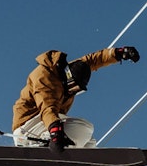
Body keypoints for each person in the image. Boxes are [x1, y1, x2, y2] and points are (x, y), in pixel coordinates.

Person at [11, 46, 140, 151]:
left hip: (46, 123)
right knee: (85, 127)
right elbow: (47, 107)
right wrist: (55, 131)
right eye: (73, 87)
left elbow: (92, 60)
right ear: (68, 78)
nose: (73, 91)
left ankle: (65, 149)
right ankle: (45, 141)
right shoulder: (45, 76)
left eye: (77, 90)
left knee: (89, 143)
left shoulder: (67, 71)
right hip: (28, 126)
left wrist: (118, 53)